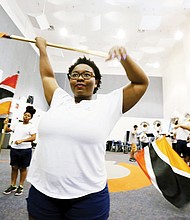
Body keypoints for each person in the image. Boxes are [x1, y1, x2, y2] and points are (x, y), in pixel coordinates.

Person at [26, 37, 149, 220]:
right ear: (70, 80)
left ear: (96, 81)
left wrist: (124, 57)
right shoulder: (59, 99)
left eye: (87, 74)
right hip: (42, 190)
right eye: (75, 75)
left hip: (88, 196)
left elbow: (140, 83)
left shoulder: (109, 104)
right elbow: (47, 76)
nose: (80, 78)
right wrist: (42, 49)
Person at [3, 106, 37, 196]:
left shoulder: (31, 126)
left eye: (28, 116)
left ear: (31, 117)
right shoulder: (17, 124)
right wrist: (5, 124)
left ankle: (20, 186)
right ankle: (13, 185)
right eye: (25, 115)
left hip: (25, 150)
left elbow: (33, 137)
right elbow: (7, 130)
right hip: (14, 149)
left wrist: (22, 140)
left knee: (23, 168)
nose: (26, 116)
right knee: (14, 167)